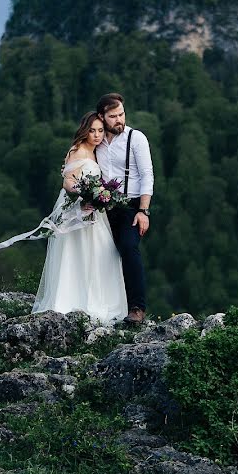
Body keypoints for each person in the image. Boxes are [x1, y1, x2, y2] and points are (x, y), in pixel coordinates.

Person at [0, 112, 128, 325]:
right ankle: (71, 300)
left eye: (100, 130)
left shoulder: (98, 152)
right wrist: (83, 197)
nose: (97, 135)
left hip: (95, 212)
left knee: (100, 252)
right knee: (77, 251)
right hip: (77, 208)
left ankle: (100, 301)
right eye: (92, 130)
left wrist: (99, 197)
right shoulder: (77, 150)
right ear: (85, 130)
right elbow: (68, 181)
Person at [95, 93, 154, 325]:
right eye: (113, 116)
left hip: (131, 206)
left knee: (129, 248)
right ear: (102, 116)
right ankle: (102, 306)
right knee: (99, 253)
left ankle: (137, 309)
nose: (119, 119)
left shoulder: (136, 138)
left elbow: (147, 175)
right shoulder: (96, 138)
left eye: (121, 114)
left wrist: (144, 211)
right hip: (102, 207)